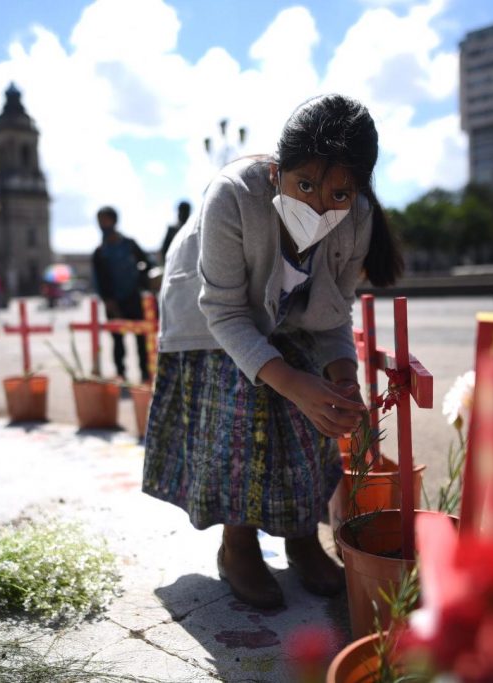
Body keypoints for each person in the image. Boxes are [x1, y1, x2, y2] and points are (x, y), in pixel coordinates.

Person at [142, 95, 402, 609]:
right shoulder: (233, 195)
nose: (319, 206)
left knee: (309, 425)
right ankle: (237, 545)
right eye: (304, 185)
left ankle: (303, 538)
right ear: (276, 172)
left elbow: (332, 315)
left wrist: (340, 379)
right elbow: (225, 312)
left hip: (282, 319)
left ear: (359, 190)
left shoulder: (356, 221)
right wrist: (294, 383)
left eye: (339, 192)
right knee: (242, 420)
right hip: (208, 317)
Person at [91, 206, 154, 383]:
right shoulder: (99, 252)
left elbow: (147, 265)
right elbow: (99, 281)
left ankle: (145, 374)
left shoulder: (129, 245)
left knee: (141, 339)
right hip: (113, 303)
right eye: (99, 221)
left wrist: (142, 280)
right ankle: (121, 374)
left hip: (134, 299)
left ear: (114, 221)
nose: (102, 225)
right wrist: (108, 301)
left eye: (105, 220)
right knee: (117, 341)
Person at [159, 200, 191, 264]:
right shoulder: (172, 230)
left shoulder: (192, 229)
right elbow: (164, 251)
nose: (182, 214)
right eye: (181, 211)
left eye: (185, 211)